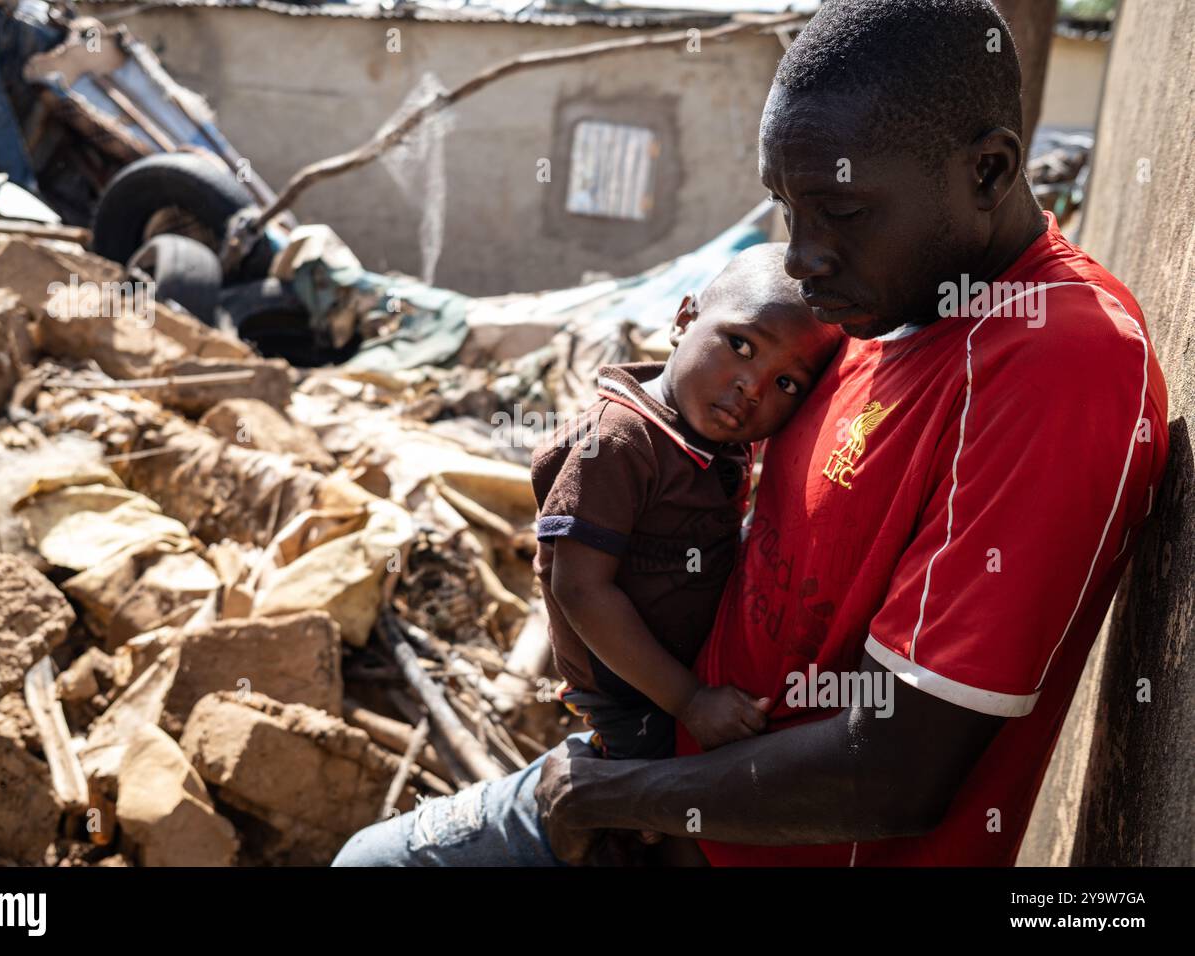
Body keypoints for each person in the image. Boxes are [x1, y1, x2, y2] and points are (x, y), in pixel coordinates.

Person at [333, 0, 1169, 867]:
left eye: (841, 211)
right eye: (785, 207)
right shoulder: (883, 310)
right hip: (664, 772)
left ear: (988, 173)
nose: (802, 258)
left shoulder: (1057, 358)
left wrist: (617, 799)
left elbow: (897, 767)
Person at [533, 244, 842, 761]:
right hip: (632, 692)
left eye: (786, 383)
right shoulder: (620, 442)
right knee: (653, 806)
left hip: (684, 671)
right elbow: (581, 589)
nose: (752, 386)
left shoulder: (715, 439)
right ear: (684, 318)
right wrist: (690, 700)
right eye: (741, 345)